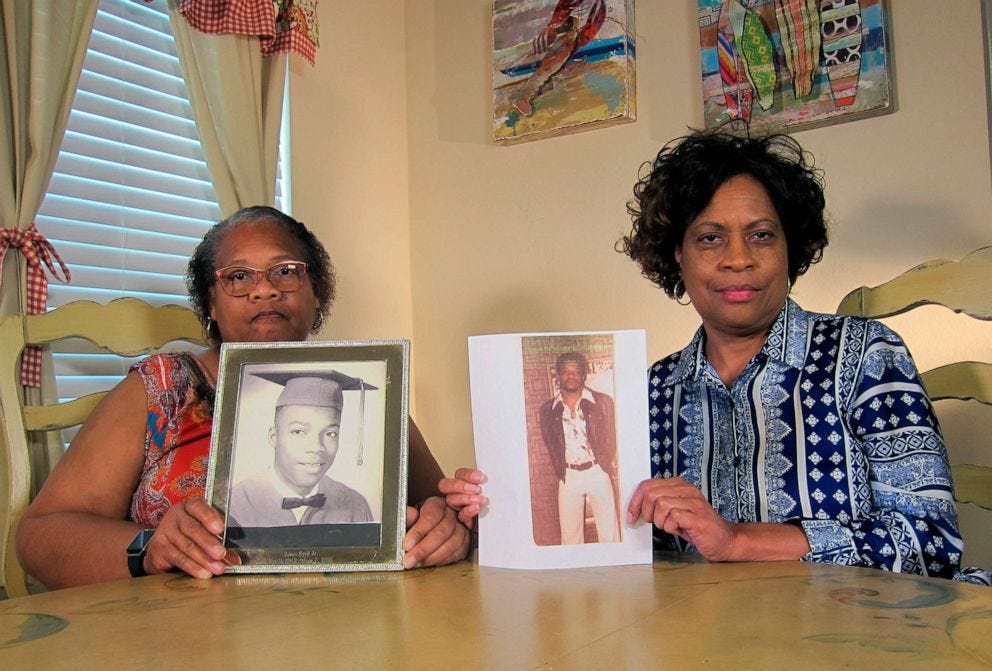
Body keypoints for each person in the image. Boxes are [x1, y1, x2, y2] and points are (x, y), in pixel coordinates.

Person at [443, 130, 989, 585]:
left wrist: (738, 540)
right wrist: (492, 511)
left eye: (761, 235)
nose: (737, 259)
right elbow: (625, 549)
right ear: (675, 253)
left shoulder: (865, 355)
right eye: (709, 238)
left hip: (854, 641)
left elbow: (931, 541)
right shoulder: (649, 391)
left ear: (790, 247)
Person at [17, 206, 469, 588]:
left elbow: (436, 510)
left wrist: (448, 526)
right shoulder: (160, 390)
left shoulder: (368, 382)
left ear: (317, 294)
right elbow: (41, 537)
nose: (264, 288)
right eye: (238, 276)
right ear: (210, 304)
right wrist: (149, 547)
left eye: (286, 272)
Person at [228, 371, 373, 527]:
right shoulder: (233, 505)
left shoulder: (355, 505)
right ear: (274, 437)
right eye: (298, 432)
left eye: (330, 433)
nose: (316, 447)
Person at [538, 352, 619, 544]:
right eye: (566, 371)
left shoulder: (603, 402)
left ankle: (616, 571)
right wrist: (560, 469)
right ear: (557, 375)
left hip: (598, 471)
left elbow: (611, 436)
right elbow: (550, 442)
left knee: (610, 533)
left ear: (583, 374)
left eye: (576, 371)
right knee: (570, 536)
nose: (571, 375)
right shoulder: (547, 410)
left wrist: (604, 463)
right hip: (568, 476)